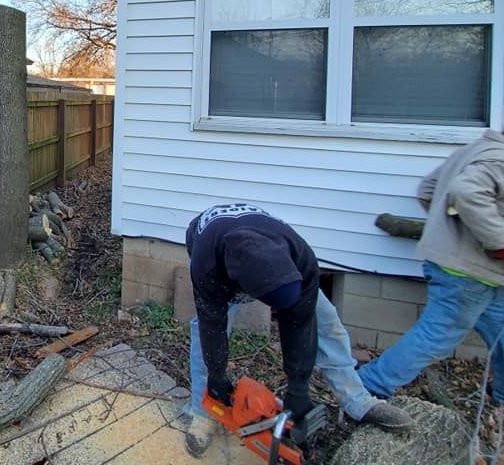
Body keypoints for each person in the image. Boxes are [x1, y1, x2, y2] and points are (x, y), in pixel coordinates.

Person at [184, 203, 412, 458]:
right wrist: (217, 375)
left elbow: (299, 325)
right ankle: (204, 412)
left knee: (328, 323)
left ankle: (355, 399)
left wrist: (298, 387)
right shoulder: (207, 265)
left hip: (268, 255)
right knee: (204, 333)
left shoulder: (301, 257)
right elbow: (210, 325)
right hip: (213, 248)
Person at [358, 129, 504, 405]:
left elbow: (428, 191)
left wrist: (446, 232)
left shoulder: (474, 150)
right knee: (436, 335)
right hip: (468, 273)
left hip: (480, 272)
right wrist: (498, 242)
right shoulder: (499, 159)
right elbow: (466, 191)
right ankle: (367, 386)